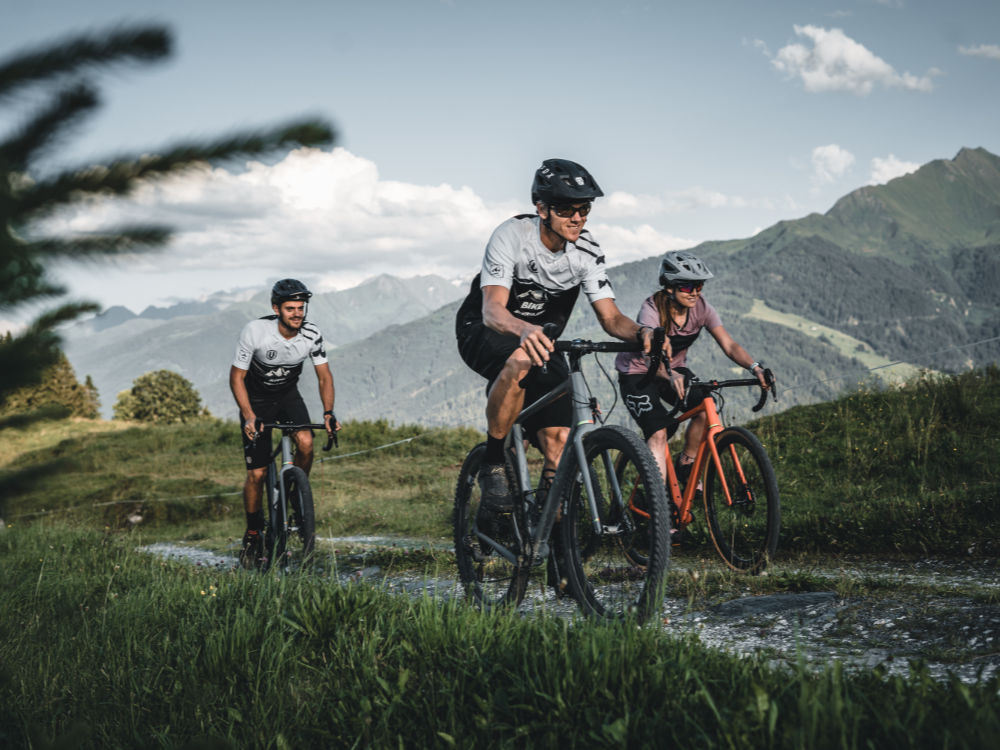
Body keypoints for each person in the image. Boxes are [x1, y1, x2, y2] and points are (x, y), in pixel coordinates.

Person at [455, 158, 656, 514]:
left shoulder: (587, 251)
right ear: (542, 209)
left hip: (541, 342)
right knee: (521, 359)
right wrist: (523, 328)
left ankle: (551, 525)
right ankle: (494, 462)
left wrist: (643, 332)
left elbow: (611, 318)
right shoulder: (512, 235)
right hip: (484, 330)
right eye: (566, 210)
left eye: (584, 209)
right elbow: (492, 310)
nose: (577, 218)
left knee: (560, 438)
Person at [615, 250, 770, 489]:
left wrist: (755, 367)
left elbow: (729, 345)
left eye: (699, 285)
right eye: (687, 287)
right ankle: (659, 502)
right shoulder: (651, 309)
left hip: (675, 370)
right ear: (670, 287)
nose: (695, 292)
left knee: (706, 408)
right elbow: (648, 357)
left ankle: (686, 465)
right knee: (658, 433)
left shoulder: (703, 308)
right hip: (638, 373)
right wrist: (669, 374)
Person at [229, 278, 340, 568]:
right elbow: (237, 377)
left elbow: (324, 377)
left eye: (301, 308)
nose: (297, 314)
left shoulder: (312, 334)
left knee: (306, 443)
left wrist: (328, 413)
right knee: (257, 474)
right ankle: (253, 532)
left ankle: (295, 493)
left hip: (288, 396)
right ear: (276, 309)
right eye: (291, 308)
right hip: (256, 401)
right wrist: (249, 415)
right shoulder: (255, 332)